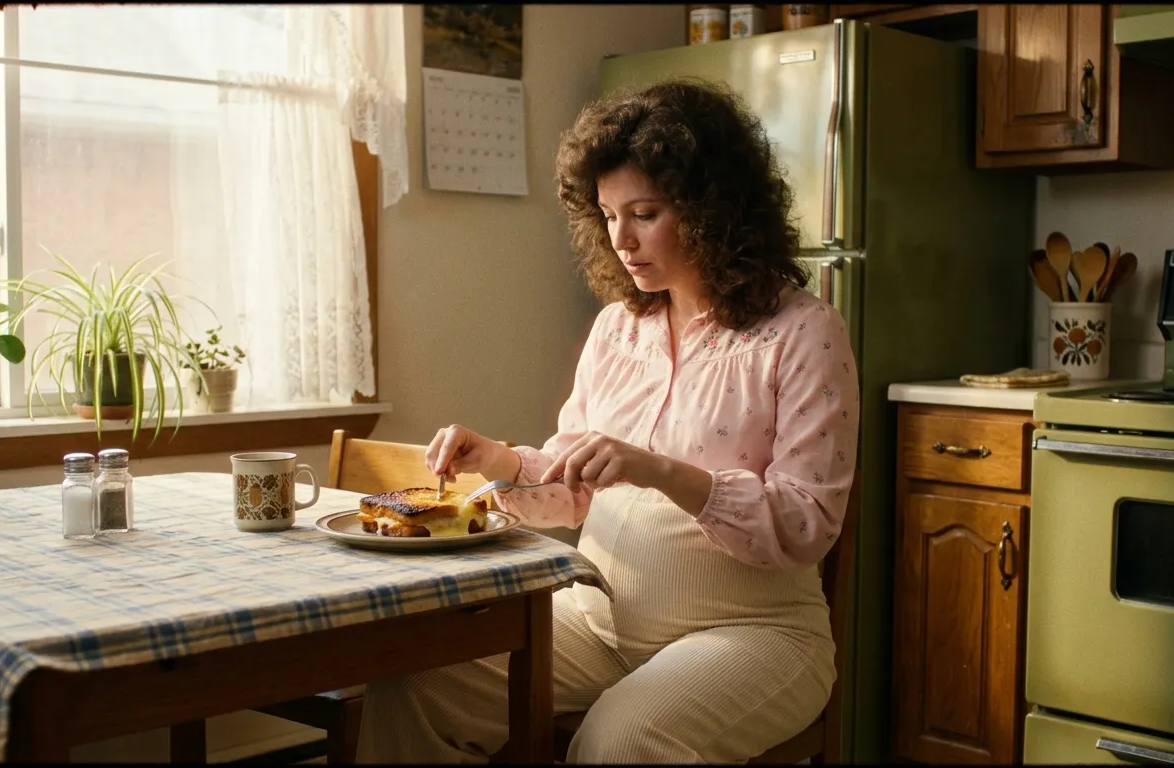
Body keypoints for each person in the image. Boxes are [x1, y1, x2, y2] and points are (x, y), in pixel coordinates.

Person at [356, 78, 859, 764]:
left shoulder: (804, 332)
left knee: (619, 743)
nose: (621, 239)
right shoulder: (618, 329)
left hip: (755, 634)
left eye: (645, 213)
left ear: (713, 207)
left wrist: (658, 469)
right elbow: (572, 490)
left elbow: (806, 524)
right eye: (607, 214)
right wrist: (499, 461)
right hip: (598, 621)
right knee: (415, 683)